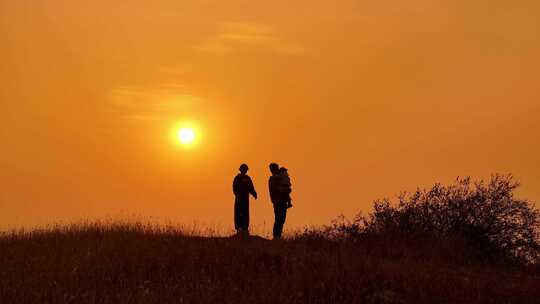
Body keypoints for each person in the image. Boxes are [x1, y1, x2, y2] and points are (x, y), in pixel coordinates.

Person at [268, 163, 292, 239]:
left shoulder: (279, 178)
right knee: (279, 219)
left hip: (282, 201)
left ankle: (278, 236)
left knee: (281, 219)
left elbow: (286, 190)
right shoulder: (272, 179)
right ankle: (276, 236)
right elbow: (276, 190)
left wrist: (288, 200)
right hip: (277, 201)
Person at [232, 164, 257, 235]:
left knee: (245, 213)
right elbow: (234, 189)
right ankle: (239, 229)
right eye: (244, 169)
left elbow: (251, 188)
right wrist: (238, 195)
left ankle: (245, 229)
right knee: (238, 213)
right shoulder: (237, 178)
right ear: (241, 170)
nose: (245, 171)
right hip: (239, 199)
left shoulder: (247, 178)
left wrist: (254, 193)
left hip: (245, 199)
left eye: (245, 169)